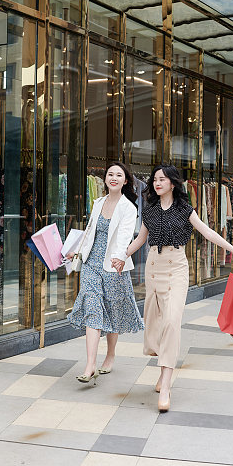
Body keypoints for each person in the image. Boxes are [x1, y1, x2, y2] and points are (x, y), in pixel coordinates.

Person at [113, 164, 233, 412]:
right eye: (155, 179)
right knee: (154, 325)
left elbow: (208, 233)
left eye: (162, 179)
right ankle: (164, 366)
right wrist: (123, 255)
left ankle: (165, 384)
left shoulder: (185, 209)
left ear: (173, 183)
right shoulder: (150, 210)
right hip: (154, 267)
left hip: (176, 269)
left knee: (172, 323)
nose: (157, 183)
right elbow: (141, 238)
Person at [67, 162, 144, 384]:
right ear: (105, 178)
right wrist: (77, 253)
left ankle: (110, 355)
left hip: (113, 265)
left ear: (125, 181)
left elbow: (125, 237)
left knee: (113, 309)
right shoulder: (98, 202)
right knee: (92, 308)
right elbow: (90, 232)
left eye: (119, 175)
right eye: (110, 174)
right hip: (91, 263)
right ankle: (90, 364)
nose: (114, 178)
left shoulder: (128, 207)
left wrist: (120, 258)